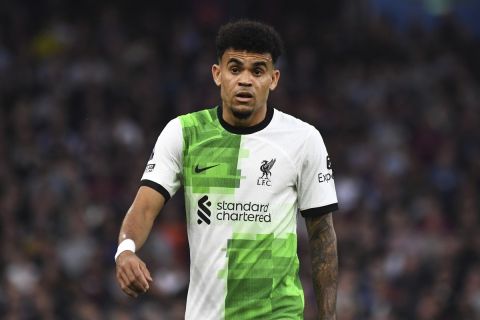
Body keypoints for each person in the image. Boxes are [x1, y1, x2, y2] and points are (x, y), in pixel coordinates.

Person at [115, 19, 339, 320]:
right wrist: (125, 250)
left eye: (257, 70)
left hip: (277, 313)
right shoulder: (184, 133)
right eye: (235, 69)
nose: (245, 80)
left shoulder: (303, 139)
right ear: (217, 74)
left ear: (273, 79)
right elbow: (143, 208)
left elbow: (322, 236)